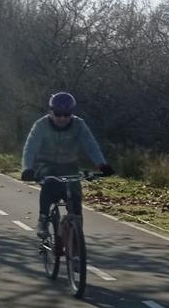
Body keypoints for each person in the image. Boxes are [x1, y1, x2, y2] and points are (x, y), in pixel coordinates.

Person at [20, 92, 113, 238]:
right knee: (49, 186)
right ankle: (43, 220)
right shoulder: (41, 125)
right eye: (58, 113)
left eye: (67, 114)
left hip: (69, 165)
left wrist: (102, 164)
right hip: (46, 164)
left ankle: (76, 234)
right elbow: (30, 148)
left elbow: (91, 145)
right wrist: (27, 168)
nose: (62, 118)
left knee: (75, 199)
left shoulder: (79, 124)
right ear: (51, 111)